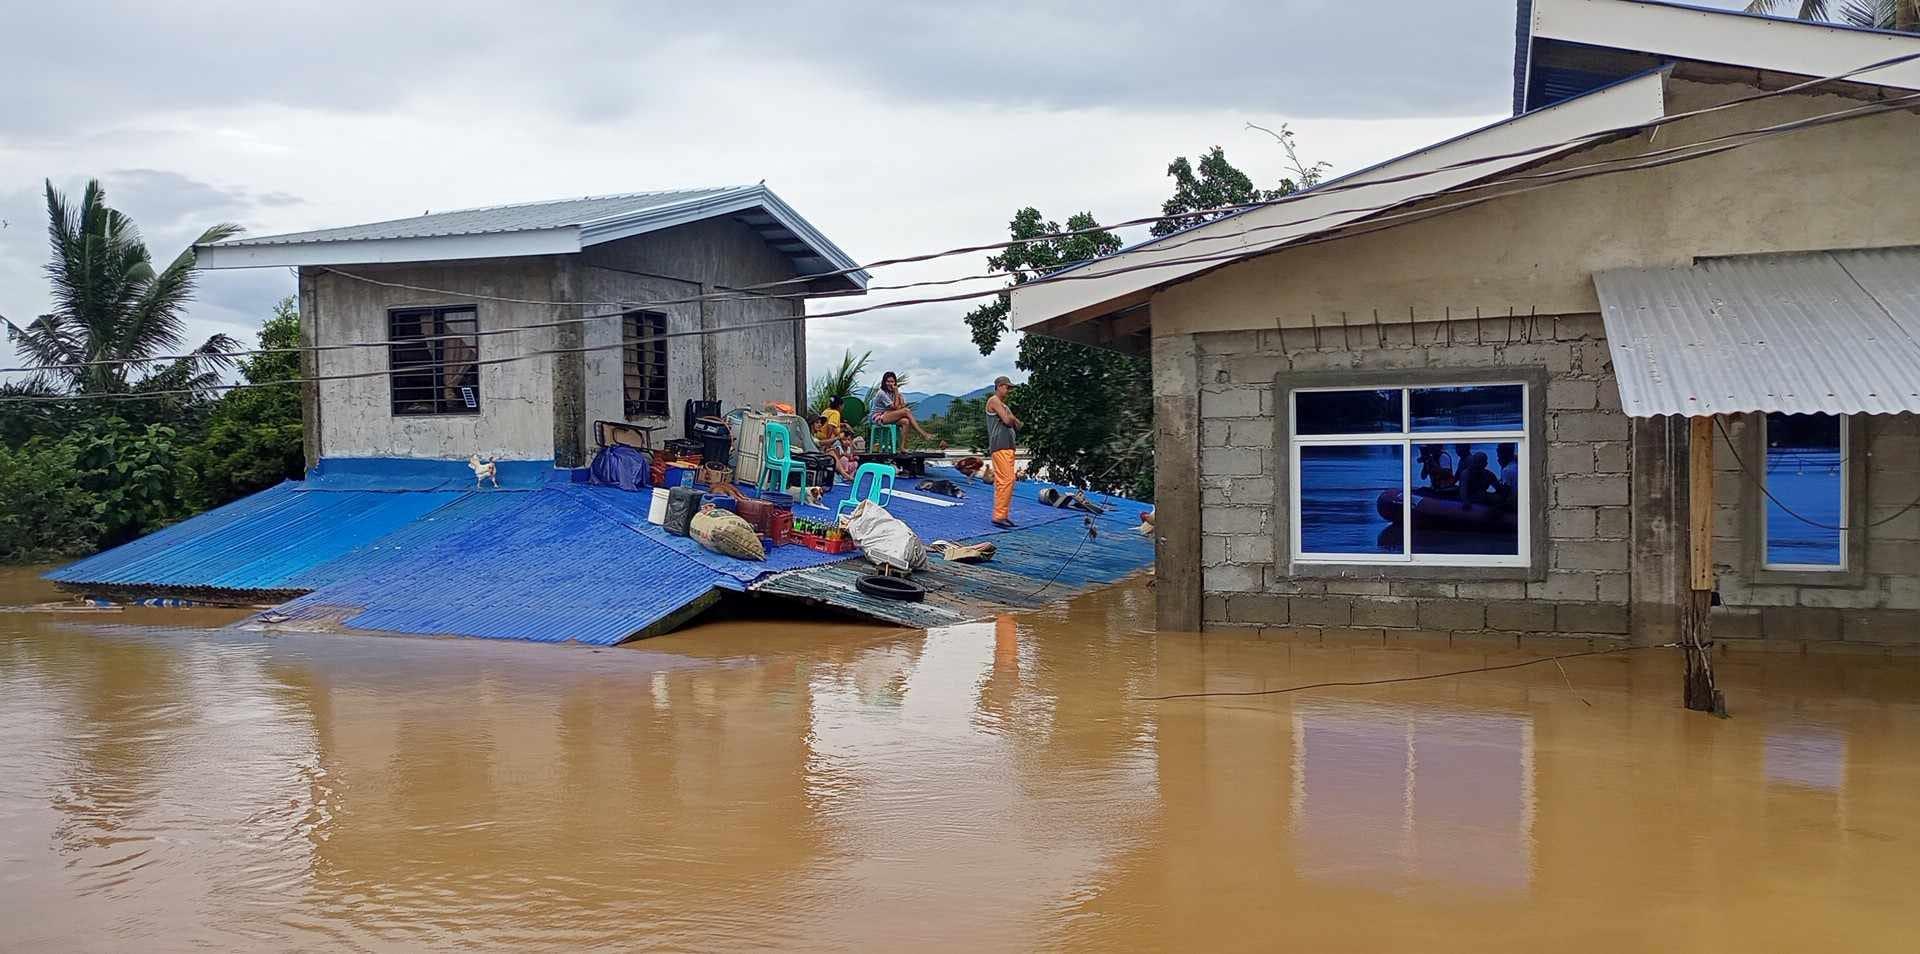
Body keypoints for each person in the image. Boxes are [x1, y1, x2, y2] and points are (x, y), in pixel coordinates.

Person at [985, 375, 1022, 529]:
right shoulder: (993, 401)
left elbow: (1018, 425)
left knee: (1008, 481)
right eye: (1007, 387)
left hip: (1008, 446)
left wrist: (1011, 418)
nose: (1008, 391)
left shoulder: (1004, 407)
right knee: (1006, 480)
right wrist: (1011, 419)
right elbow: (1009, 421)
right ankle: (999, 516)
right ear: (999, 386)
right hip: (999, 446)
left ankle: (1002, 515)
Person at [869, 371, 936, 446]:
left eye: (892, 382)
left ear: (895, 383)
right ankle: (923, 434)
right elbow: (896, 407)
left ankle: (902, 447)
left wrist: (898, 396)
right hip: (877, 417)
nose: (890, 384)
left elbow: (901, 407)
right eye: (888, 381)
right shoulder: (882, 393)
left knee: (906, 421)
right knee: (907, 411)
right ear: (884, 382)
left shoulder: (893, 393)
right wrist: (896, 393)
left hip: (887, 415)